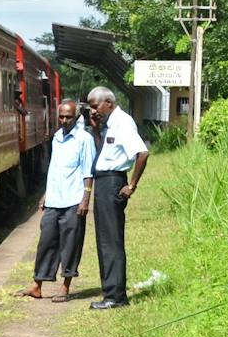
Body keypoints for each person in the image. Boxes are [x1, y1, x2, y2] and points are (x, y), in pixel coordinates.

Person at [21, 101, 95, 302]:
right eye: (61, 116)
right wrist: (46, 194)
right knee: (46, 242)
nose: (64, 120)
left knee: (70, 244)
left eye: (68, 117)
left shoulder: (84, 139)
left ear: (76, 116)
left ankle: (65, 286)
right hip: (54, 200)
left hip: (73, 200)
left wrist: (85, 200)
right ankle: (37, 284)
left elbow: (88, 173)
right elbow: (54, 170)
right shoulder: (56, 138)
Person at [86, 86, 149, 309]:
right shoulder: (110, 125)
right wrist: (96, 130)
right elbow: (104, 154)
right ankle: (109, 293)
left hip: (113, 182)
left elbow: (142, 153)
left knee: (111, 241)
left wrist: (132, 185)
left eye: (95, 107)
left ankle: (115, 297)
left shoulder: (122, 123)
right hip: (104, 182)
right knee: (104, 240)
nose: (93, 112)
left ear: (109, 103)